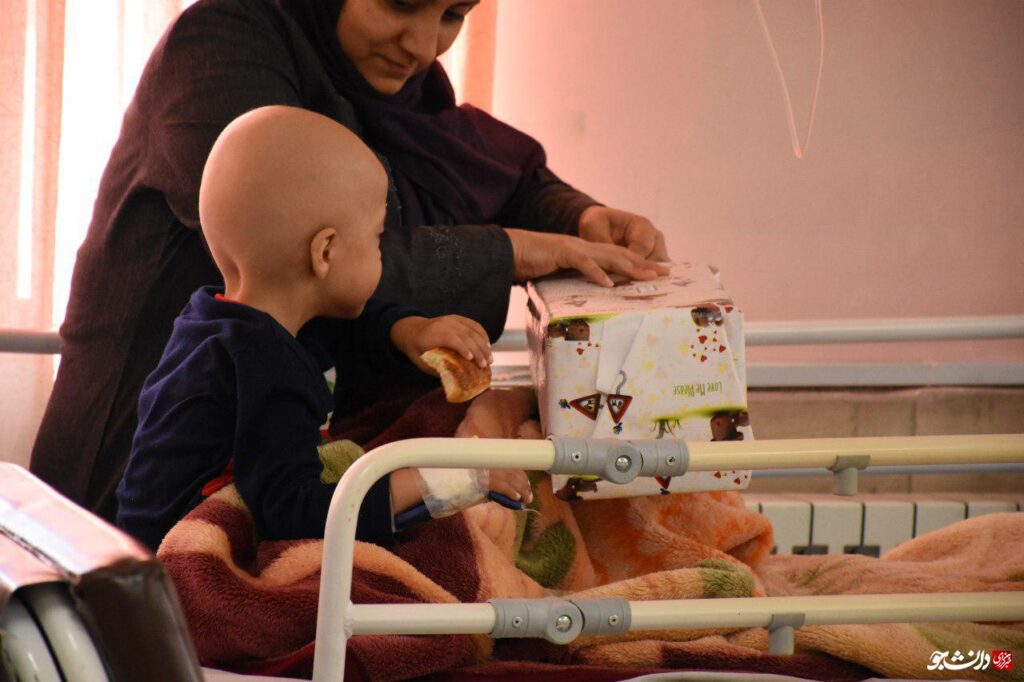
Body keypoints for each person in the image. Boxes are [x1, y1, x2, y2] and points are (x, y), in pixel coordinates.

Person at [31, 0, 671, 523]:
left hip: (291, 467)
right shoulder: (223, 45)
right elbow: (310, 261)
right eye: (401, 3)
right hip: (139, 508)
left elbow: (488, 170)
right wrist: (516, 251)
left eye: (453, 14)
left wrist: (579, 218)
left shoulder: (408, 100)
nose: (422, 46)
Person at [117, 105, 532, 551]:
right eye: (377, 239)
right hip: (176, 564)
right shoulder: (266, 367)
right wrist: (450, 479)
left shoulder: (229, 321)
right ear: (326, 252)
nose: (380, 252)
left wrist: (409, 330)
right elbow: (295, 514)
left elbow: (350, 331)